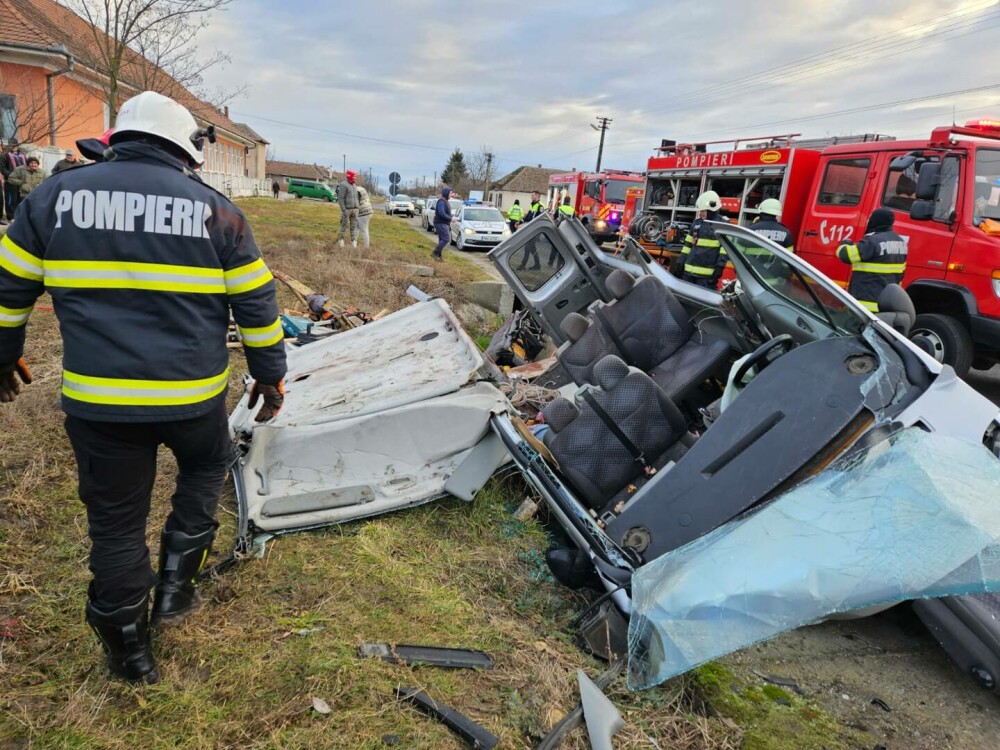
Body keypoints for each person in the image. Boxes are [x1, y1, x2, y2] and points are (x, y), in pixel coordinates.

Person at [0, 91, 287, 685]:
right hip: (191, 400)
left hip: (100, 406)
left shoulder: (52, 198)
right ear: (184, 148)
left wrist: (3, 359)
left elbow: (8, 296)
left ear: (118, 138)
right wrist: (269, 374)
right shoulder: (218, 212)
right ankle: (177, 590)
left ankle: (129, 654)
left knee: (115, 525)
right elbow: (258, 307)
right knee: (207, 467)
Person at [837, 208, 907, 312]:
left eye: (870, 218)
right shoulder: (901, 242)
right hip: (886, 302)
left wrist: (845, 244)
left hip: (866, 304)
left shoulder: (872, 241)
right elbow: (901, 273)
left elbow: (845, 255)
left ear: (876, 220)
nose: (867, 221)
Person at [673, 190, 728, 289]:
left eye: (703, 211)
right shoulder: (697, 223)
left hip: (705, 277)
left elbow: (724, 250)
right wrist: (681, 260)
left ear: (712, 209)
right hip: (688, 274)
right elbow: (688, 245)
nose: (701, 213)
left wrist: (719, 267)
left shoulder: (723, 225)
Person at [1, 140, 26, 220]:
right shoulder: (5, 155)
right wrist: (10, 176)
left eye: (15, 145)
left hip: (22, 181)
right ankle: (11, 216)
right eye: (12, 145)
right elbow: (2, 168)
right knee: (11, 199)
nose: (14, 147)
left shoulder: (23, 155)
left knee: (21, 199)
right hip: (10, 181)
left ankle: (19, 216)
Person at [336, 170, 360, 247]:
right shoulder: (343, 185)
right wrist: (344, 210)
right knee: (343, 225)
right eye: (355, 176)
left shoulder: (354, 185)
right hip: (347, 209)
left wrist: (358, 207)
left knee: (354, 226)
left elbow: (356, 197)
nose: (356, 178)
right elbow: (340, 198)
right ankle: (341, 241)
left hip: (355, 210)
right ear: (350, 176)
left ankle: (354, 243)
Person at [432, 187, 454, 261]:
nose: (451, 195)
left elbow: (446, 213)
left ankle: (439, 257)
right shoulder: (441, 201)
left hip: (444, 223)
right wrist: (450, 218)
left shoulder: (445, 201)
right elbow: (442, 213)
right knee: (446, 238)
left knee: (441, 239)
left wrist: (452, 218)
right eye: (450, 193)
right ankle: (435, 253)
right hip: (441, 223)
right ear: (446, 193)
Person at [356, 183, 373, 248]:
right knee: (356, 227)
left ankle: (366, 247)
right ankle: (354, 244)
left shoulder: (356, 191)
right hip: (368, 211)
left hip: (363, 213)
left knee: (363, 229)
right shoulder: (362, 189)